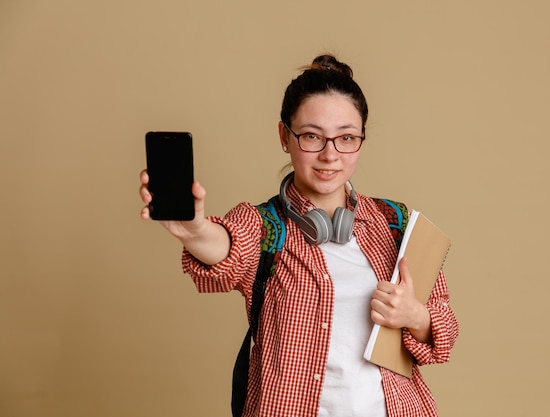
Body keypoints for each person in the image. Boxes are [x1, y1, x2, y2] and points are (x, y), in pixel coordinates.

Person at [139, 54, 459, 417]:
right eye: (311, 136)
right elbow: (226, 247)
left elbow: (444, 333)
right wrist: (195, 230)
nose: (329, 155)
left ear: (361, 140)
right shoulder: (264, 226)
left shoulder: (395, 223)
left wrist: (415, 316)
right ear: (284, 137)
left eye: (346, 138)